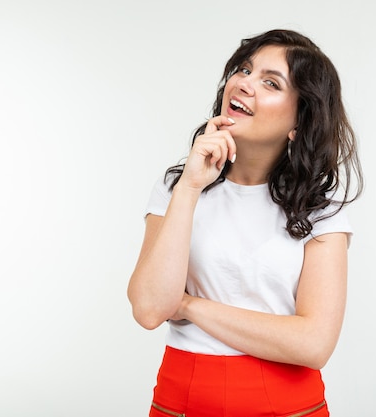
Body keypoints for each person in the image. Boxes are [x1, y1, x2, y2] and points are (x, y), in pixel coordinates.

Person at [128, 28, 363, 417]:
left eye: (270, 82)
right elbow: (150, 309)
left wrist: (189, 304)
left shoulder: (321, 209)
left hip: (290, 406)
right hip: (182, 400)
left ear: (299, 124)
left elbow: (314, 344)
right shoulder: (177, 186)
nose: (244, 84)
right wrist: (189, 186)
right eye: (244, 69)